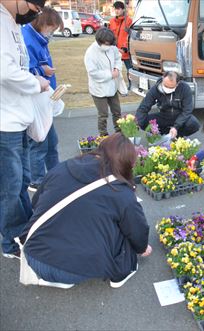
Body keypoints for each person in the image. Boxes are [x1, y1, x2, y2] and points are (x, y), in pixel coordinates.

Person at [19, 133, 152, 289]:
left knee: (78, 217)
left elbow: (36, 202)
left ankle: (55, 274)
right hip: (72, 270)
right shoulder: (122, 193)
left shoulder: (63, 167)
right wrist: (142, 248)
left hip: (33, 256)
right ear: (127, 164)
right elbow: (137, 230)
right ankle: (118, 272)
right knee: (123, 232)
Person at [0, 0, 50, 259]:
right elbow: (6, 73)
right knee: (9, 187)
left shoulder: (12, 21)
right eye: (35, 6)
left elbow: (18, 66)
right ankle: (11, 242)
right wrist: (36, 83)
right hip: (4, 122)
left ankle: (25, 230)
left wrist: (35, 76)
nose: (35, 12)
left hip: (18, 117)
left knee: (20, 181)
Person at [22, 6, 64, 192]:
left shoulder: (38, 39)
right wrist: (42, 71)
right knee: (39, 142)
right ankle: (37, 180)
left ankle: (56, 174)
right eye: (52, 28)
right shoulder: (27, 38)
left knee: (51, 141)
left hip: (45, 97)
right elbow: (24, 73)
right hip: (35, 100)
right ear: (43, 23)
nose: (52, 32)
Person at [136, 70, 200, 138]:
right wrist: (137, 124)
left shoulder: (185, 88)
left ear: (178, 83)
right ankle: (165, 133)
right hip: (163, 115)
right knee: (143, 121)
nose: (167, 89)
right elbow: (144, 107)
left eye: (171, 87)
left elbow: (187, 110)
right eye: (165, 85)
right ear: (163, 78)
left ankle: (178, 135)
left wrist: (176, 127)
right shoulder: (156, 88)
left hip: (179, 115)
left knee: (193, 124)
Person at [84, 27, 123, 136]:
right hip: (99, 89)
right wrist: (110, 75)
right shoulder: (91, 53)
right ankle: (103, 135)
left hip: (112, 87)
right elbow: (93, 72)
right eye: (106, 44)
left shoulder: (112, 48)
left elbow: (117, 58)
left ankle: (119, 133)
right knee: (103, 114)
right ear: (99, 41)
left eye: (110, 44)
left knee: (117, 111)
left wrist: (117, 68)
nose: (108, 46)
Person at [109, 1, 132, 89]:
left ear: (123, 9)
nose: (116, 11)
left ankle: (131, 85)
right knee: (114, 69)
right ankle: (115, 85)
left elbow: (130, 36)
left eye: (118, 9)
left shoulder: (128, 21)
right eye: (115, 9)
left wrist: (125, 48)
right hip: (114, 50)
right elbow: (110, 35)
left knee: (129, 69)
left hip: (125, 51)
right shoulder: (111, 21)